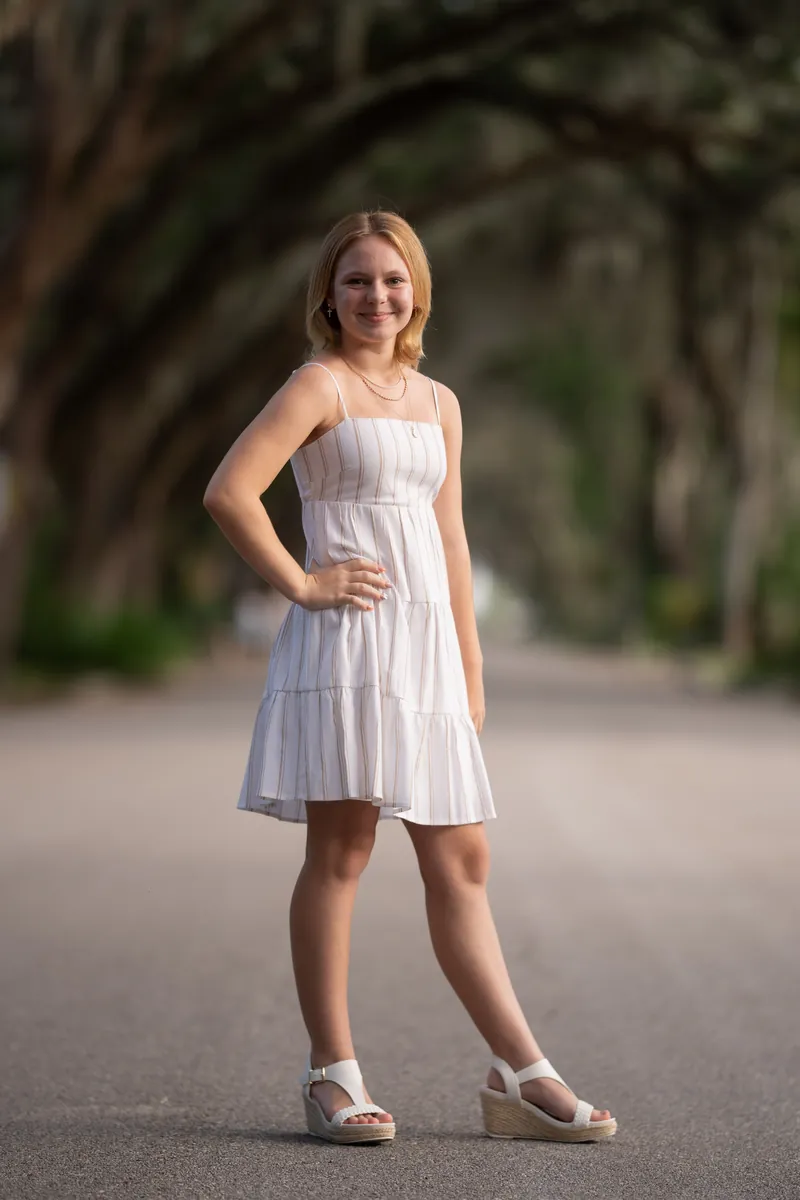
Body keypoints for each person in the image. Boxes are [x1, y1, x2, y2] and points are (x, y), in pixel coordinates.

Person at [203, 211, 616, 1145]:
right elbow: (231, 490)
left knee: (462, 859)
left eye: (392, 280)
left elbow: (452, 537)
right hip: (348, 648)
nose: (376, 297)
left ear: (417, 292)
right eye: (356, 281)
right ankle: (331, 1075)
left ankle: (522, 1073)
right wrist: (303, 583)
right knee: (342, 855)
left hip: (426, 654)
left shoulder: (440, 403)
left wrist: (470, 667)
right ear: (328, 295)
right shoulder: (320, 385)